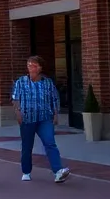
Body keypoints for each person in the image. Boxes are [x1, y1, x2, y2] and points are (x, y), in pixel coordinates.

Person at [13, 55, 70, 183]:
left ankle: (58, 171)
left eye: (34, 65)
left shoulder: (47, 82)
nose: (31, 68)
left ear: (40, 68)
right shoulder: (21, 82)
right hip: (27, 119)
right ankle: (26, 171)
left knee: (50, 143)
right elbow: (16, 99)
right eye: (29, 65)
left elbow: (54, 99)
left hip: (45, 118)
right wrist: (18, 113)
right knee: (27, 146)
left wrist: (55, 114)